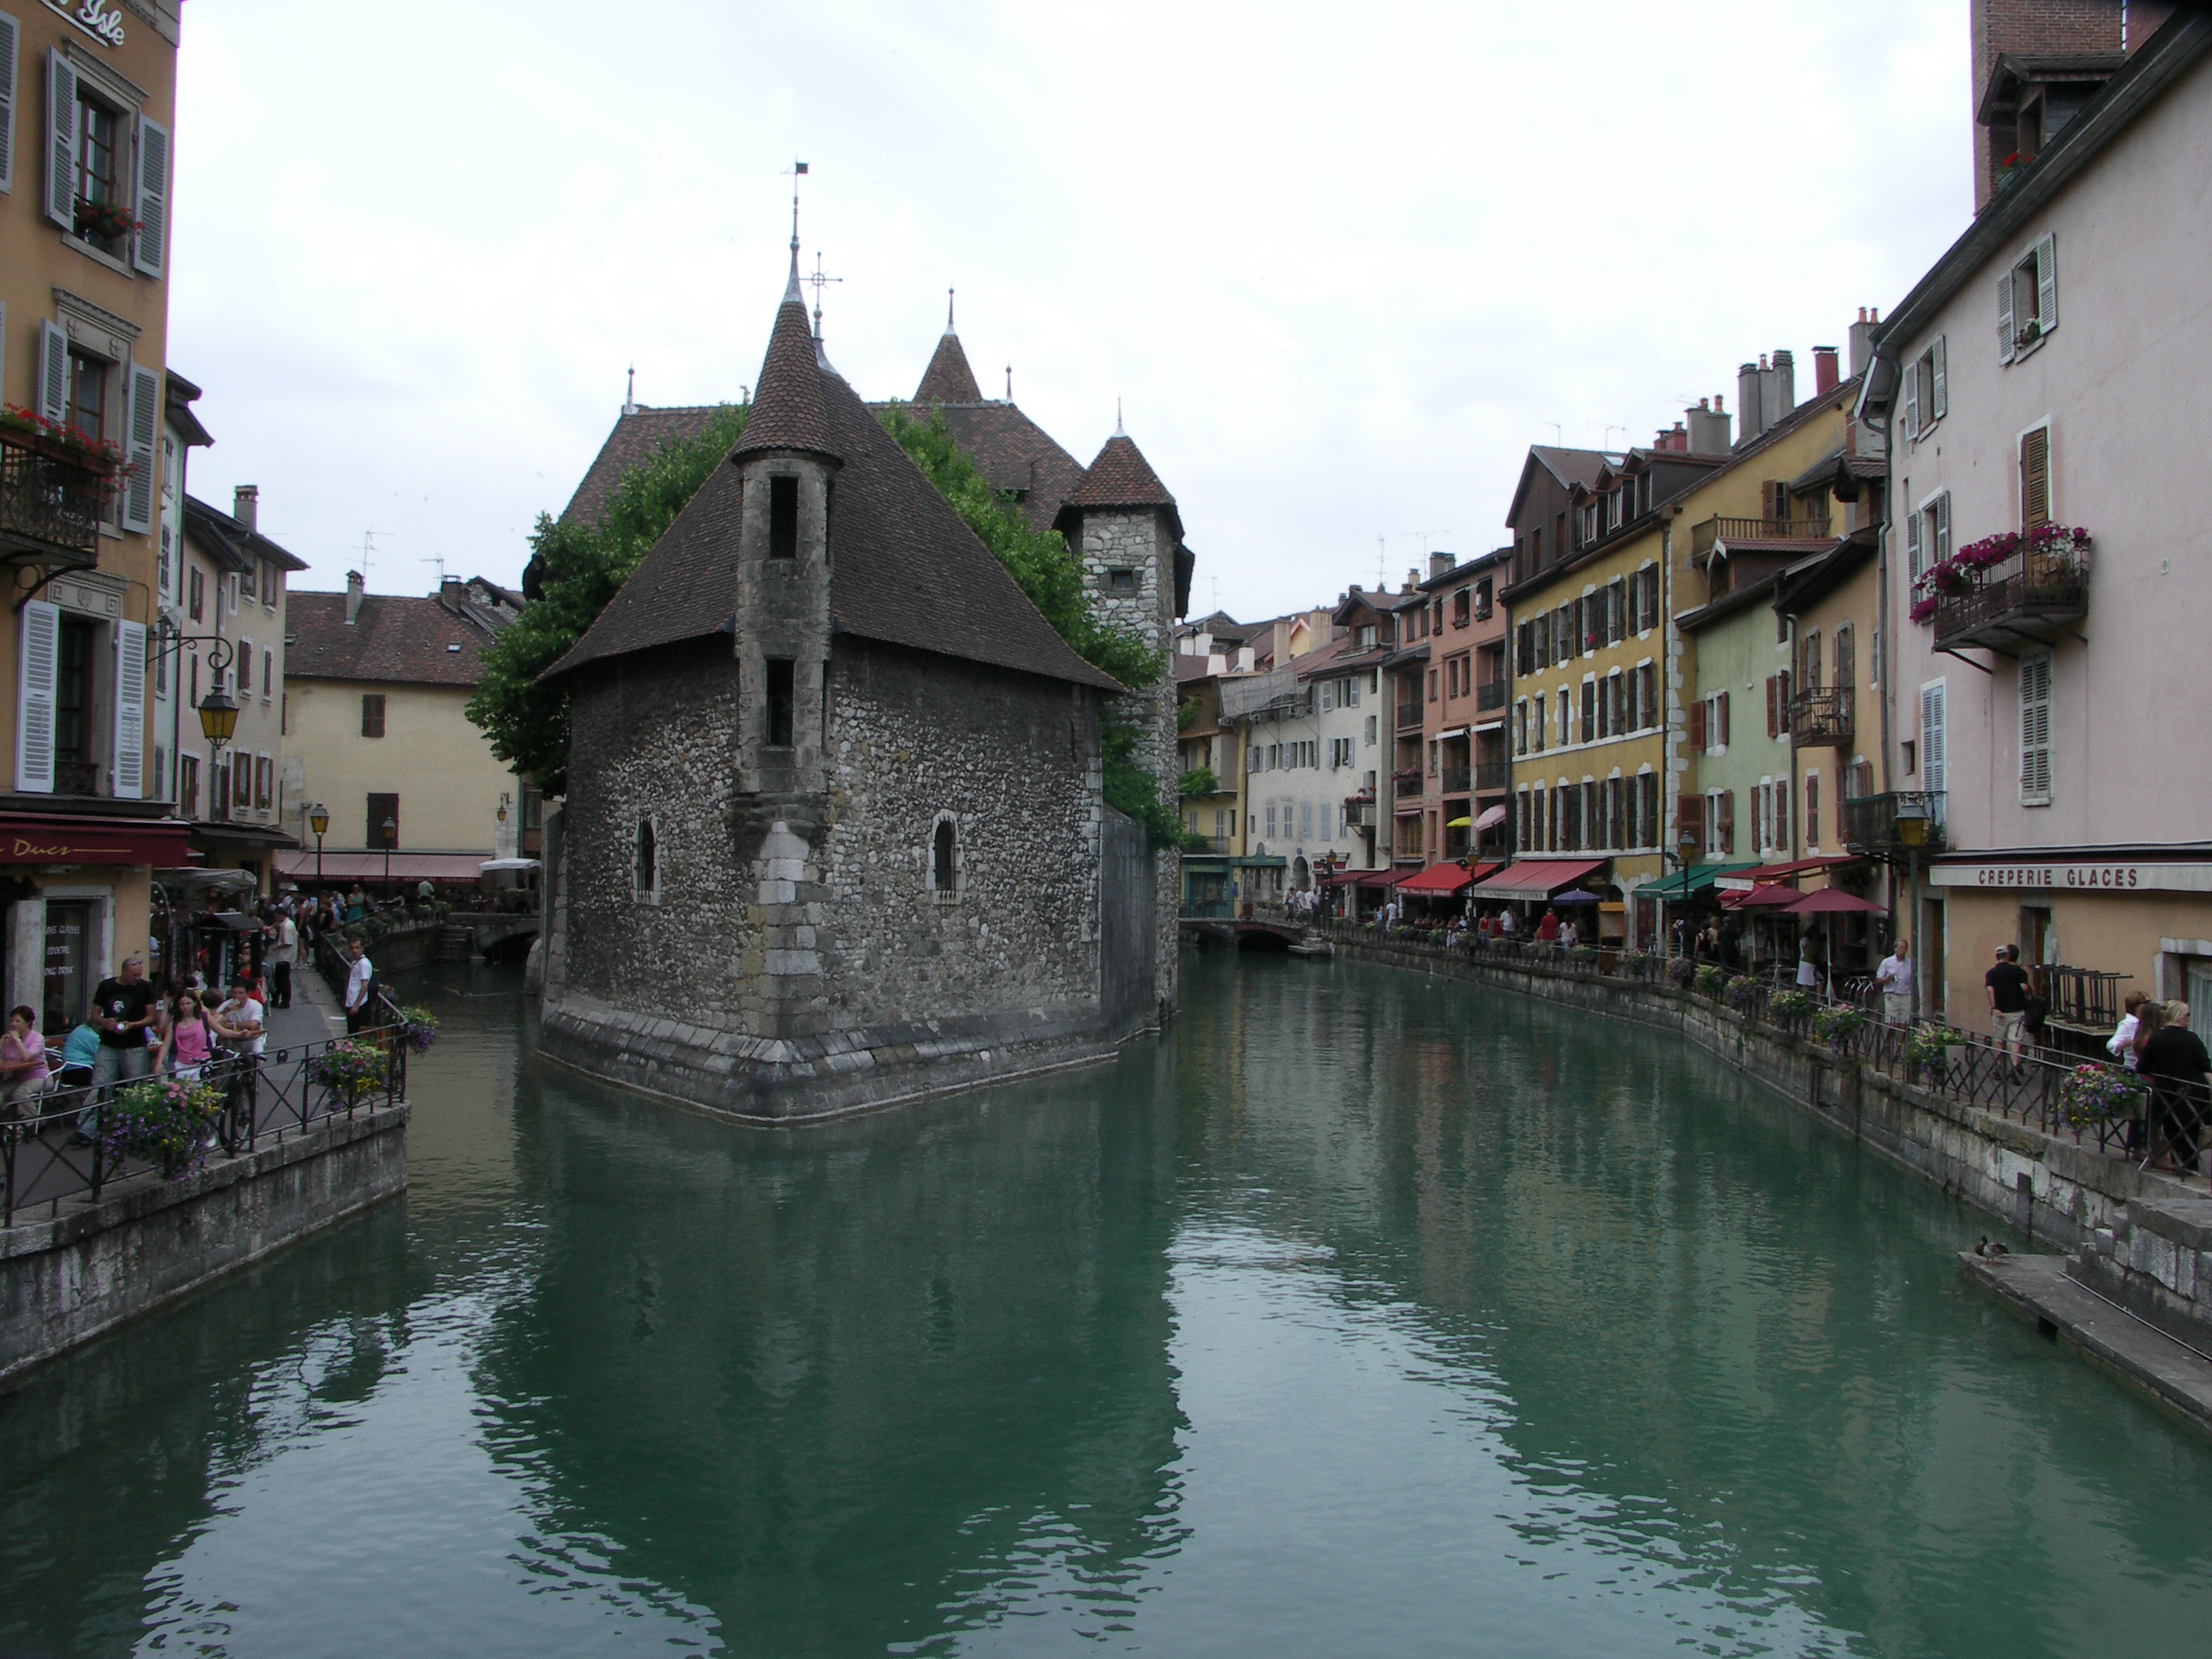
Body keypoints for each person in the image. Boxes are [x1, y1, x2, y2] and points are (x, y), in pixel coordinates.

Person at [2137, 1001, 2211, 1172]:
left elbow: (2142, 1067)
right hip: (2192, 1094)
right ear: (2178, 1017)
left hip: (2167, 1093)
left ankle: (2179, 1164)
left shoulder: (2157, 1039)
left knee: (2172, 1131)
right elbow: (2205, 1065)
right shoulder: (2192, 1039)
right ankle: (2189, 1167)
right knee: (2191, 1133)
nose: (2189, 1018)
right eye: (2187, 1015)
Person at [88, 956, 157, 1090]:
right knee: (100, 1084)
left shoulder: (145, 987)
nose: (138, 978)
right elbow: (94, 1014)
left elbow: (152, 1017)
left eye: (140, 974)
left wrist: (132, 1025)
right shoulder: (106, 986)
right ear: (124, 972)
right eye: (134, 975)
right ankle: (98, 1104)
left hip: (135, 1044)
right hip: (109, 1043)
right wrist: (105, 1022)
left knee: (137, 1085)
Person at [1986, 944, 2032, 1068]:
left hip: (2000, 1012)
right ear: (2008, 956)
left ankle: (2000, 1067)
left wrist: (1994, 1008)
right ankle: (2016, 1067)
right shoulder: (2018, 971)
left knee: (1999, 1041)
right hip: (2017, 1011)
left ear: (1996, 957)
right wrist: (2028, 996)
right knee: (2015, 1041)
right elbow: (2024, 987)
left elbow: (1990, 990)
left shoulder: (1991, 973)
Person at [1, 1006, 49, 1115]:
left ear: (28, 1022)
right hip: (18, 1078)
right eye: (12, 1021)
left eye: (18, 1021)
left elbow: (27, 1057)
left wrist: (17, 1040)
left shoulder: (37, 1038)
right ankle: (7, 1121)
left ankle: (33, 1121)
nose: (13, 1024)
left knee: (20, 1093)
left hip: (39, 1077)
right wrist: (2, 1041)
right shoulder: (10, 1040)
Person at [159, 992, 218, 1081]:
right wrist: (159, 1062)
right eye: (182, 1004)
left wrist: (238, 1034)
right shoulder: (174, 1022)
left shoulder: (204, 1017)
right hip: (181, 1063)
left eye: (188, 1003)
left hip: (201, 1062)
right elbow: (166, 1043)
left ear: (195, 1003)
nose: (185, 1007)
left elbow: (222, 1031)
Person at [1875, 939, 1915, 1027]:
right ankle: (1890, 1036)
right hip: (1892, 995)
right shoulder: (1887, 962)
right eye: (1901, 948)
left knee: (1904, 1023)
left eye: (1905, 948)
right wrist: (1887, 979)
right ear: (1895, 949)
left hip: (1906, 995)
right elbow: (1878, 979)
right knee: (1892, 1023)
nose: (1903, 950)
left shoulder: (1910, 963)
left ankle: (1901, 1036)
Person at [2108, 990, 2150, 1071]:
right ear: (2136, 1006)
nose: (2149, 1006)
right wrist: (2122, 1045)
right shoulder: (2127, 1024)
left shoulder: (2148, 1021)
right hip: (2132, 1068)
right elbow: (2111, 1044)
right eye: (2146, 1003)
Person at [343, 937, 377, 1033]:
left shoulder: (363, 964)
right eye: (352, 948)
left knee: (356, 1032)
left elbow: (365, 984)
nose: (354, 951)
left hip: (359, 1005)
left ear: (362, 948)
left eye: (357, 948)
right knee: (352, 1030)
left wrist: (356, 1005)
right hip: (352, 1001)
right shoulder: (356, 963)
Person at [269, 907, 298, 1009]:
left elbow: (288, 943)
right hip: (284, 957)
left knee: (283, 980)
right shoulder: (286, 925)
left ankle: (285, 1001)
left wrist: (277, 948)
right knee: (280, 980)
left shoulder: (287, 927)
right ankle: (277, 999)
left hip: (285, 957)